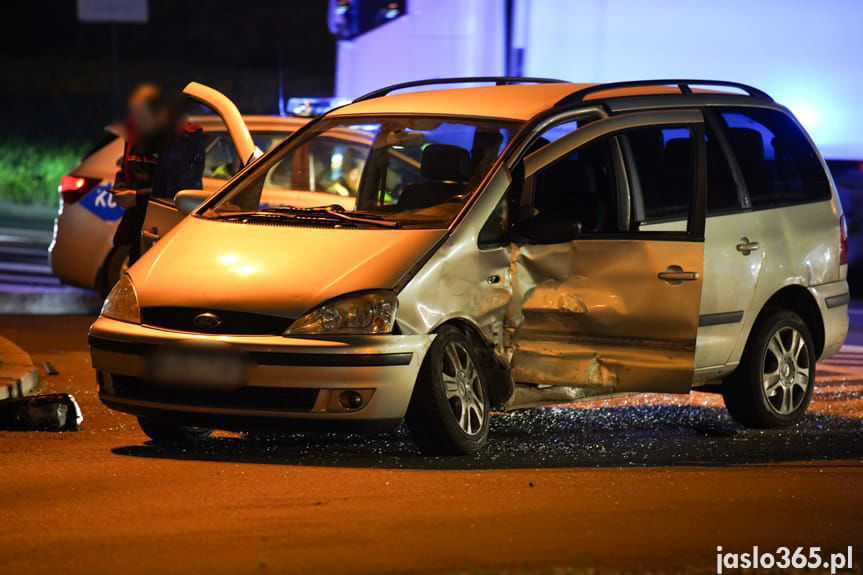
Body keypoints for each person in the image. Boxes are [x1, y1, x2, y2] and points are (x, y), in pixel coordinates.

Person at [112, 83, 205, 263]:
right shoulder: (137, 136)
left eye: (141, 115)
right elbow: (126, 168)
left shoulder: (182, 141)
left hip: (166, 232)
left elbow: (178, 192)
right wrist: (120, 187)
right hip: (139, 228)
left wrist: (137, 198)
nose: (136, 121)